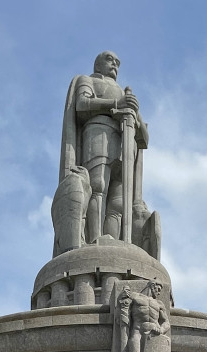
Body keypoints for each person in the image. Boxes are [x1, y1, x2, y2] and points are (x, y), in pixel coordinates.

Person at [60, 51, 149, 243]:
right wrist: (117, 103)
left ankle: (114, 242)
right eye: (110, 60)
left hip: (125, 145)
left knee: (119, 202)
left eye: (118, 62)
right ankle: (95, 239)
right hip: (99, 134)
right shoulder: (88, 80)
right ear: (97, 65)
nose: (115, 64)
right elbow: (82, 104)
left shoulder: (125, 93)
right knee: (98, 186)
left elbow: (145, 139)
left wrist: (135, 115)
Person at [118, 282, 169, 352]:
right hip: (137, 331)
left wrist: (161, 329)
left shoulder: (159, 303)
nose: (159, 291)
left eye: (160, 289)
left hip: (153, 334)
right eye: (157, 288)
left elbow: (166, 322)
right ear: (151, 286)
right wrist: (122, 296)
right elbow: (123, 303)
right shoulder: (135, 296)